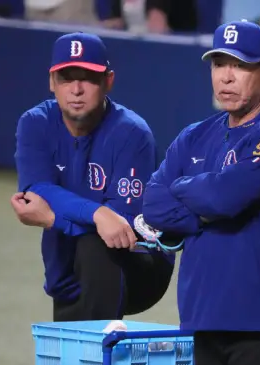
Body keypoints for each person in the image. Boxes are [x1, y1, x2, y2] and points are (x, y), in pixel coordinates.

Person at [141, 20, 260, 365]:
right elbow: (152, 204)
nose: (226, 77)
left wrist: (183, 188)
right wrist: (202, 211)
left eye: (240, 65)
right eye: (219, 64)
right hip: (204, 315)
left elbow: (223, 198)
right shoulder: (194, 136)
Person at [10, 31, 174, 322]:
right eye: (66, 78)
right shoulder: (35, 123)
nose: (76, 89)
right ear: (52, 82)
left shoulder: (132, 133)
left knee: (94, 245)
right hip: (70, 264)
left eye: (88, 78)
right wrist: (96, 212)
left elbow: (119, 227)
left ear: (108, 81)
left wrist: (54, 217)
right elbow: (36, 190)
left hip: (141, 259)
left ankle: (100, 346)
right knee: (76, 259)